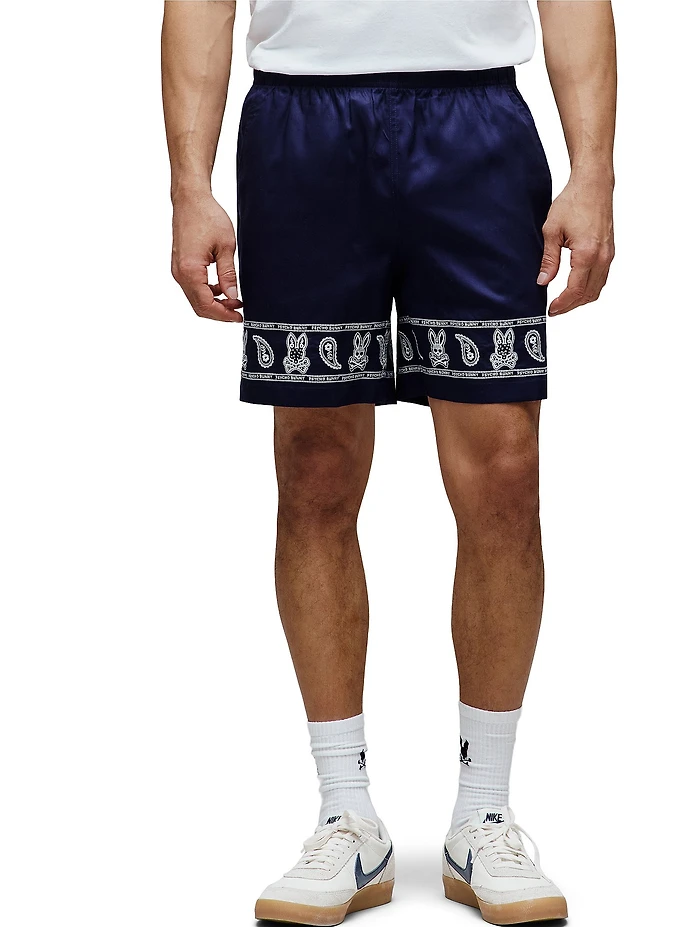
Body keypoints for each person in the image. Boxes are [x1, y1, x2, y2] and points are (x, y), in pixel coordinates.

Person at [162, 1, 616, 923]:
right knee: (315, 468)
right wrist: (189, 186)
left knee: (504, 468)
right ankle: (346, 815)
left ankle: (483, 813)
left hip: (476, 124)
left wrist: (594, 170)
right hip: (302, 126)